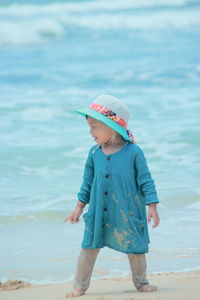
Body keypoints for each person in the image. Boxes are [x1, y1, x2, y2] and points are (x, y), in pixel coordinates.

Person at [64, 94, 160, 297]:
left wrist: (152, 205)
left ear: (112, 126)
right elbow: (87, 183)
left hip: (127, 210)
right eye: (89, 127)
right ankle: (80, 285)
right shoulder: (93, 153)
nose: (90, 132)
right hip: (99, 211)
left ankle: (141, 282)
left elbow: (145, 180)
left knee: (135, 247)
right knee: (89, 246)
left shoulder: (134, 152)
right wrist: (79, 207)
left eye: (94, 126)